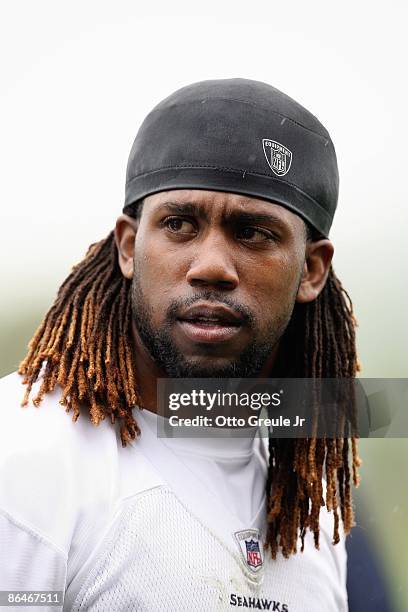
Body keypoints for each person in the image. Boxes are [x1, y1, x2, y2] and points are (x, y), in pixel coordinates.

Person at [0, 78, 361, 611]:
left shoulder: (309, 507)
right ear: (129, 247)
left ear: (311, 270)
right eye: (179, 225)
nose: (211, 266)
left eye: (253, 232)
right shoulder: (24, 461)